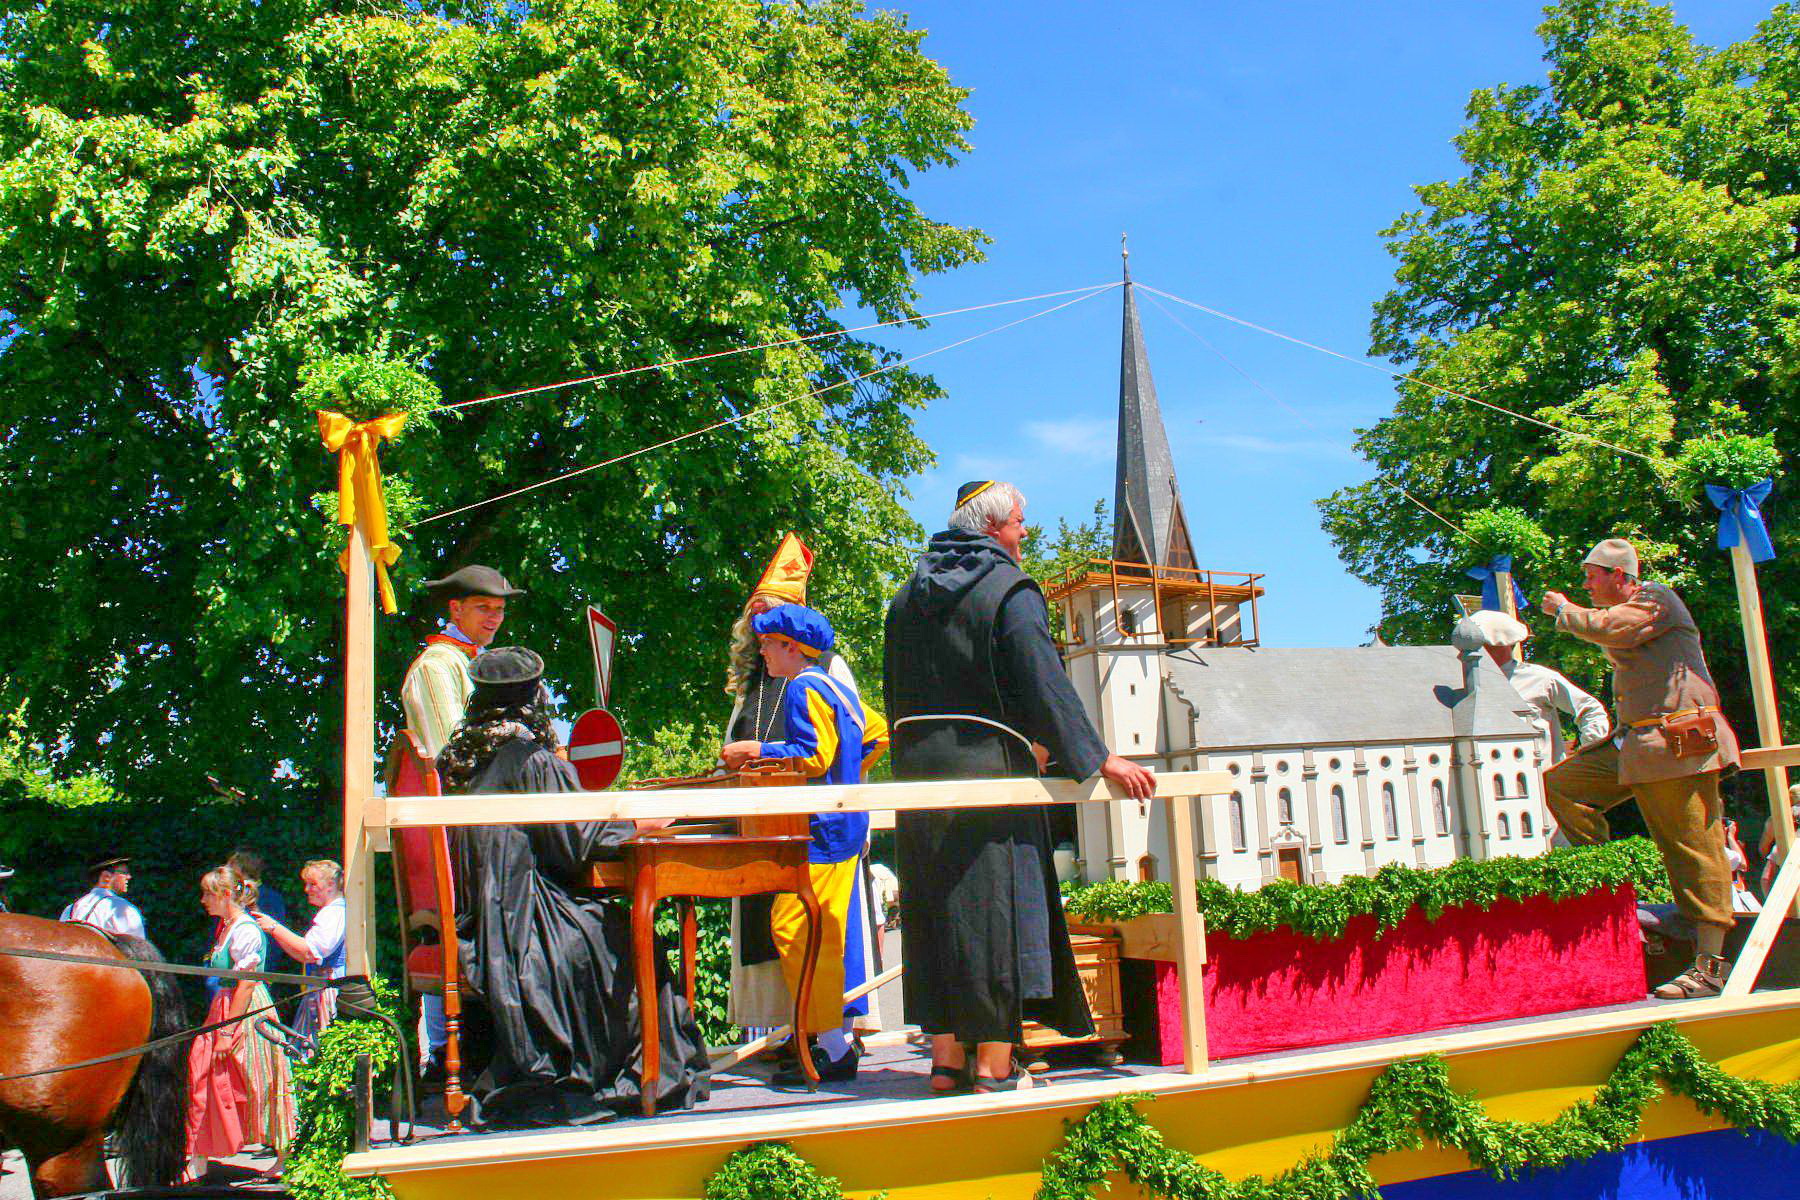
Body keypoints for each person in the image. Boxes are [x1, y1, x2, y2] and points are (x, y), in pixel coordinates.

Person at [884, 481, 1155, 1092]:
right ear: (993, 527)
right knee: (993, 913)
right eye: (1019, 521)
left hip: (919, 776)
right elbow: (1043, 681)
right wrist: (1098, 757)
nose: (1025, 532)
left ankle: (945, 1062)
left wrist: (909, 767)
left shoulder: (906, 597)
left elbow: (895, 694)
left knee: (934, 910)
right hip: (990, 774)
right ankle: (993, 1068)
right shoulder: (1010, 588)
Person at [438, 647, 709, 1127]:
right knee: (622, 933)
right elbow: (576, 842)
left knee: (604, 926)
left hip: (477, 918)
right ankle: (643, 1070)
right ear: (533, 699)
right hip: (521, 917)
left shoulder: (462, 758)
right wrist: (640, 826)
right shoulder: (531, 758)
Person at [1541, 537, 1741, 999]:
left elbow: (1613, 627)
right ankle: (1610, 894)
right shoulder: (1633, 608)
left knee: (1693, 849)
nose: (1586, 585)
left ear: (1619, 575)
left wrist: (1563, 609)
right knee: (1564, 785)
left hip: (1678, 744)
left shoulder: (1655, 598)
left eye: (1592, 576)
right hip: (1639, 744)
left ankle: (1709, 967)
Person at [720, 533, 884, 1041]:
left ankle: (830, 1038)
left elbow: (850, 741)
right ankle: (794, 1032)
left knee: (812, 927)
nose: (758, 632)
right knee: (786, 928)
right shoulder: (755, 681)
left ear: (791, 637)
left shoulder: (820, 674)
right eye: (755, 615)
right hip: (772, 824)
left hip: (820, 826)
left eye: (768, 620)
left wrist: (844, 783)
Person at [399, 563, 521, 1075]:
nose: (493, 617)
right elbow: (457, 760)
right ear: (455, 609)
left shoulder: (479, 663)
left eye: (499, 610)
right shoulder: (437, 666)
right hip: (464, 842)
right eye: (483, 608)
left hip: (483, 832)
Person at [183, 866, 295, 1181]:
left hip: (244, 1009)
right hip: (224, 1004)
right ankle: (199, 1158)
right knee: (204, 1075)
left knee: (259, 1078)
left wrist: (228, 1030)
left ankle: (284, 1157)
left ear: (225, 894)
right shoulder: (227, 926)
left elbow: (246, 984)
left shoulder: (245, 929)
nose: (203, 900)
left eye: (208, 894)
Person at [1462, 609, 1610, 766]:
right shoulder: (1462, 683)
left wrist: (1589, 754)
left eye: (1479, 644)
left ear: (1503, 644)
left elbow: (1590, 709)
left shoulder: (1540, 678)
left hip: (1543, 778)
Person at [254, 860, 347, 1041]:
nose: (307, 889)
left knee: (318, 1045)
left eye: (313, 884)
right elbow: (302, 954)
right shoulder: (331, 912)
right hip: (318, 990)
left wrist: (274, 927)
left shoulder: (334, 914)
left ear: (330, 885)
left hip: (329, 992)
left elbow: (308, 952)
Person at [227, 848, 290, 967]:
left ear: (242, 870)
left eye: (231, 867)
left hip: (259, 966)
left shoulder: (271, 898)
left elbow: (275, 938)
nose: (226, 871)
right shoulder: (229, 895)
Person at [60, 852, 146, 938]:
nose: (129, 877)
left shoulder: (69, 910)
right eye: (124, 873)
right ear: (106, 876)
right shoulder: (121, 908)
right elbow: (138, 945)